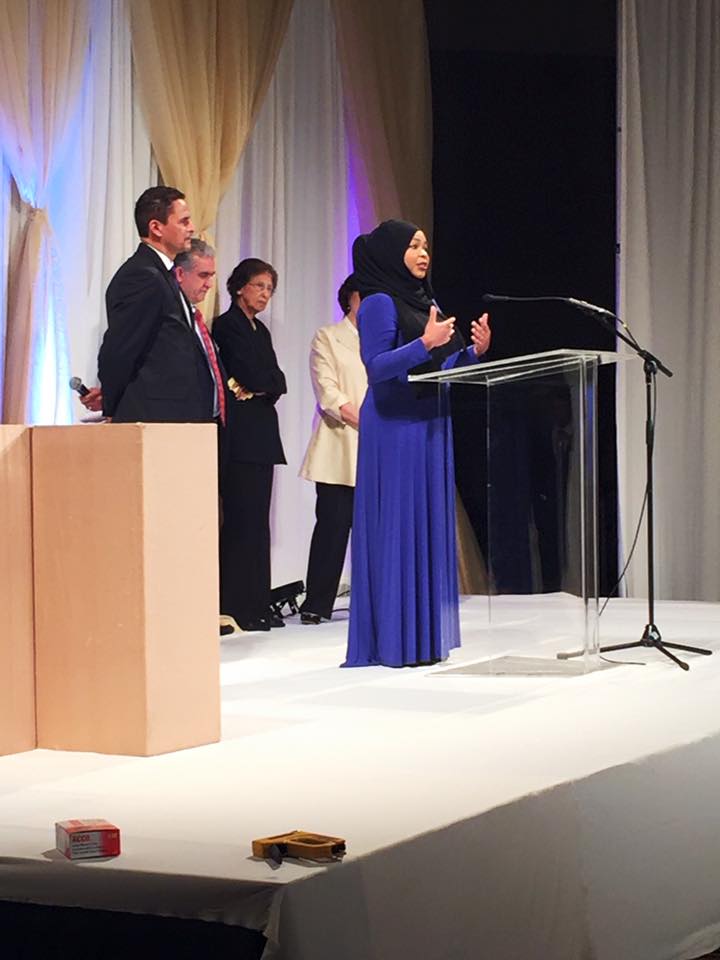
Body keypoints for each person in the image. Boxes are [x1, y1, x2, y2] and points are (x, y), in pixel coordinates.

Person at [343, 219, 491, 668]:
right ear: (393, 253)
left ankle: (421, 640)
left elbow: (441, 366)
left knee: (424, 525)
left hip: (430, 421)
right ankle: (392, 640)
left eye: (426, 245)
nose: (424, 253)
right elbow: (376, 367)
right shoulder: (378, 303)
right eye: (413, 245)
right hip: (395, 425)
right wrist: (424, 343)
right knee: (398, 525)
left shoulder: (427, 302)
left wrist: (473, 354)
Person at [97, 186, 218, 423]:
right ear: (156, 227)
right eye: (183, 221)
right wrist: (112, 406)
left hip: (178, 417)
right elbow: (120, 349)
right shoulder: (143, 276)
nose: (192, 228)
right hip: (156, 417)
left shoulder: (163, 274)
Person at [213, 258, 287, 633]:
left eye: (269, 288)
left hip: (261, 432)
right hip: (241, 434)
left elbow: (277, 381)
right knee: (241, 521)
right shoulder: (226, 326)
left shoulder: (261, 330)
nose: (265, 294)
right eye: (259, 286)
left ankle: (258, 602)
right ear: (240, 286)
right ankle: (237, 605)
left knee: (259, 524)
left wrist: (262, 386)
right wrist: (260, 384)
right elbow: (252, 374)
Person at [80, 236, 225, 427]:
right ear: (180, 273)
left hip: (201, 424)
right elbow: (122, 352)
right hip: (165, 422)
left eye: (211, 276)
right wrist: (112, 399)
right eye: (203, 275)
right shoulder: (153, 295)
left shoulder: (191, 316)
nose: (209, 284)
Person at [299, 276, 367, 625]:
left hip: (377, 448)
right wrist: (365, 421)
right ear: (349, 298)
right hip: (340, 443)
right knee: (333, 525)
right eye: (363, 295)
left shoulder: (386, 339)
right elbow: (328, 391)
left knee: (374, 531)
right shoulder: (328, 336)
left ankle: (374, 601)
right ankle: (317, 602)